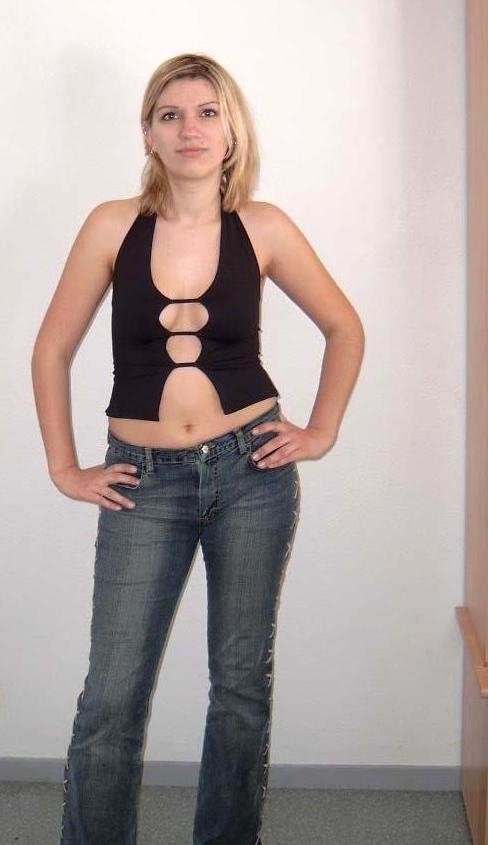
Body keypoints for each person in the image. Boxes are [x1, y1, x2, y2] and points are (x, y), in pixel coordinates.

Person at [31, 52, 364, 845]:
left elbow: (344, 326)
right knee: (112, 694)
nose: (191, 129)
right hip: (142, 481)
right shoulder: (112, 225)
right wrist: (63, 466)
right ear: (147, 132)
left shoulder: (264, 227)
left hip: (253, 474)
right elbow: (51, 349)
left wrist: (319, 430)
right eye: (171, 114)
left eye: (207, 113)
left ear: (231, 130)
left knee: (240, 686)